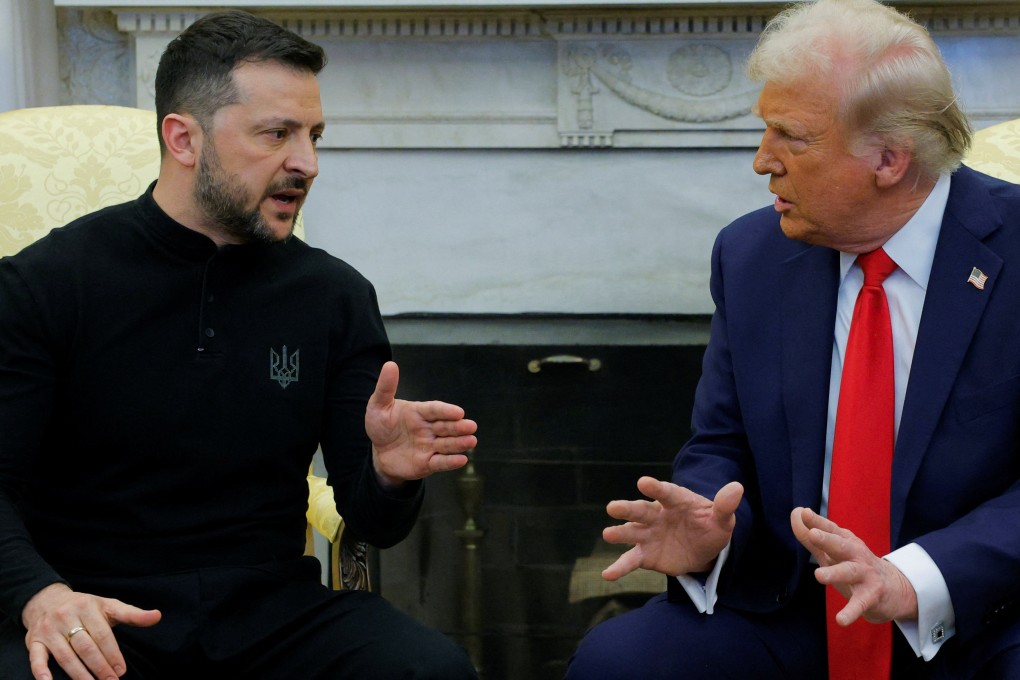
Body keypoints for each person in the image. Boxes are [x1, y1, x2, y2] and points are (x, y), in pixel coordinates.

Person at [0, 10, 479, 680]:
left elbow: (371, 522)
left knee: (430, 670)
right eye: (276, 134)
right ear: (183, 138)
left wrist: (391, 476)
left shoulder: (334, 296)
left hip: (272, 614)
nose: (306, 163)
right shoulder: (45, 283)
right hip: (99, 613)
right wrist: (37, 595)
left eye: (313, 135)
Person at [565, 0, 1020, 678]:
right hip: (795, 610)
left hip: (976, 613)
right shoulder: (751, 256)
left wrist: (913, 579)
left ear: (890, 159)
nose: (761, 162)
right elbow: (721, 446)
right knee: (621, 662)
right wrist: (711, 528)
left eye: (791, 137)